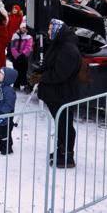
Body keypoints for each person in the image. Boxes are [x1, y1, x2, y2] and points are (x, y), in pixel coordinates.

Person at [38, 17, 82, 168]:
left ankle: (67, 155)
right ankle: (60, 149)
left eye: (51, 29)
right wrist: (41, 69)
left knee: (65, 124)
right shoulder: (59, 44)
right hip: (55, 93)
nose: (48, 32)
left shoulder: (68, 48)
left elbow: (61, 73)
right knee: (60, 123)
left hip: (63, 93)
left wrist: (42, 77)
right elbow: (51, 64)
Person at [0, 65, 18, 155]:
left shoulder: (9, 91)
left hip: (4, 115)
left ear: (8, 78)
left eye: (2, 74)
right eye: (0, 72)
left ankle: (7, 147)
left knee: (4, 132)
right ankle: (1, 144)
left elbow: (9, 104)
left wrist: (2, 113)